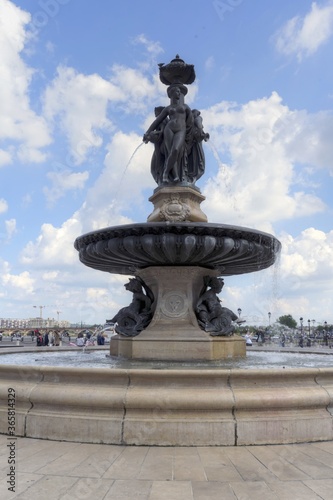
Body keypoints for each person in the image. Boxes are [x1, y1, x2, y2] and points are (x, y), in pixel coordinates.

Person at [143, 85, 194, 184]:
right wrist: (148, 131)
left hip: (181, 130)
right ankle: (172, 176)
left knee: (175, 150)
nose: (179, 93)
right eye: (177, 91)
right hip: (169, 129)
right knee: (170, 151)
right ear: (171, 94)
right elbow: (157, 121)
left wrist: (188, 131)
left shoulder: (185, 107)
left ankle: (166, 171)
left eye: (180, 92)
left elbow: (190, 121)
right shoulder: (168, 108)